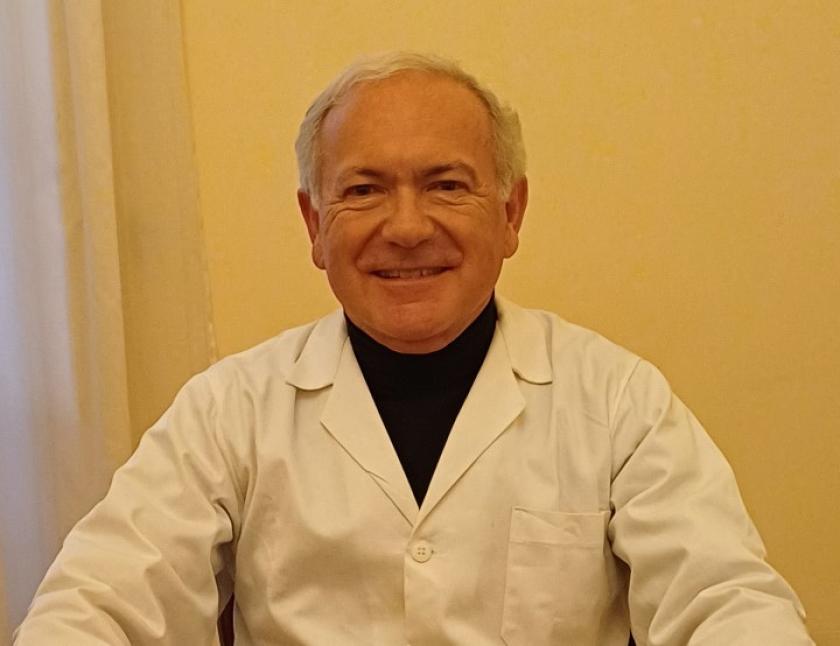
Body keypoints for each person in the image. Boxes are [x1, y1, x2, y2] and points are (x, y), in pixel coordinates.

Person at [15, 51, 813, 645]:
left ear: (511, 213)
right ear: (314, 224)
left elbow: (726, 600)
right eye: (363, 190)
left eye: (446, 185)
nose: (405, 227)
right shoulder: (228, 411)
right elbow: (99, 602)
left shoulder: (618, 402)